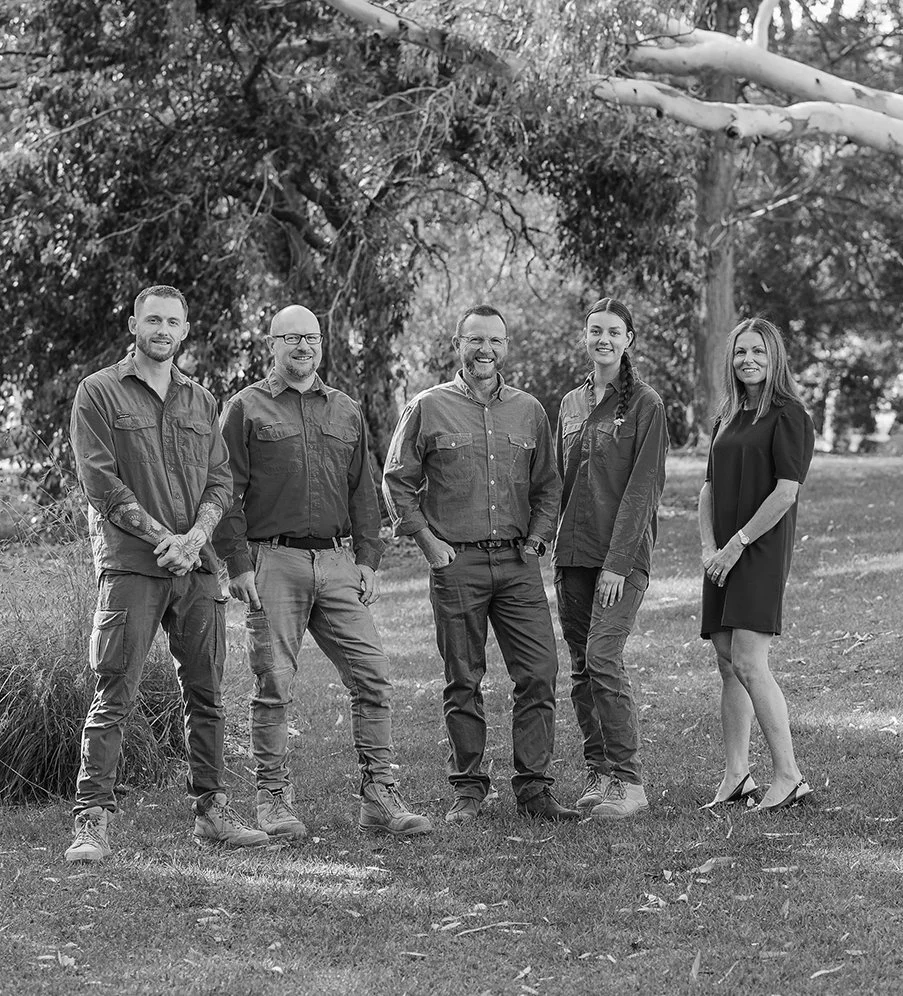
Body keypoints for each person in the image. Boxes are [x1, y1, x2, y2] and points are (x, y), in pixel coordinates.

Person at [67, 284, 268, 862]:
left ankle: (212, 815)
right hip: (133, 567)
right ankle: (92, 820)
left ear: (185, 329)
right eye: (152, 319)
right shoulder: (98, 393)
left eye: (172, 321)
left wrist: (197, 539)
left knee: (206, 695)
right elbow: (101, 483)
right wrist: (164, 540)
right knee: (115, 693)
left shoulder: (202, 401)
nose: (162, 329)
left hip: (198, 570)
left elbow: (221, 482)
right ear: (133, 323)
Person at [214, 305, 432, 839]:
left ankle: (380, 796)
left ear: (322, 343)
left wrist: (368, 557)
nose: (303, 347)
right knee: (274, 683)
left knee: (373, 673)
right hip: (273, 562)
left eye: (310, 338)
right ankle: (272, 798)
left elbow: (362, 489)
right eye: (291, 338)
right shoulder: (245, 408)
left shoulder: (346, 410)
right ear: (272, 345)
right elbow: (222, 489)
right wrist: (238, 563)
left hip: (337, 564)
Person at [382, 304, 579, 824]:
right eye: (475, 341)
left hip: (517, 565)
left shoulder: (530, 411)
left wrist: (538, 540)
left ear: (506, 347)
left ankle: (534, 789)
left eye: (494, 341)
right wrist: (427, 542)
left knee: (539, 672)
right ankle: (468, 790)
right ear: (457, 346)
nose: (484, 350)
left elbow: (548, 485)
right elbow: (396, 479)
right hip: (457, 564)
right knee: (462, 678)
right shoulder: (428, 407)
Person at [553, 298, 668, 821]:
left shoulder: (646, 405)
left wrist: (617, 564)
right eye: (595, 330)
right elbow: (560, 480)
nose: (604, 339)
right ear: (585, 336)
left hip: (619, 558)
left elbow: (643, 489)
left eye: (614, 332)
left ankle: (629, 781)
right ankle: (600, 775)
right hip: (572, 555)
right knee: (581, 668)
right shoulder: (571, 404)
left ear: (629, 340)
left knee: (603, 656)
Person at [698, 317, 815, 813]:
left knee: (748, 660)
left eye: (759, 353)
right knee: (727, 664)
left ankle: (788, 776)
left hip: (758, 548)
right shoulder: (728, 415)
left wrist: (739, 543)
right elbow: (706, 488)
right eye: (742, 352)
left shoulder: (790, 415)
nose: (749, 360)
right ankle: (736, 775)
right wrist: (710, 548)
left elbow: (786, 492)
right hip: (721, 552)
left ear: (775, 359)